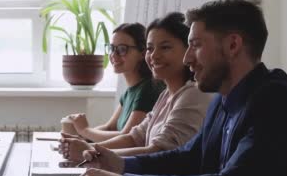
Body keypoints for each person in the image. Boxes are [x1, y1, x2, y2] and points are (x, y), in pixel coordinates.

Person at [72, 0, 287, 176]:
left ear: (233, 44)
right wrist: (121, 164)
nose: (187, 58)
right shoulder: (222, 100)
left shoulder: (276, 100)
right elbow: (188, 158)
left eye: (195, 45)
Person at [61, 13, 212, 159]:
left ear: (188, 50)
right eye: (150, 48)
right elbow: (134, 138)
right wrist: (89, 148)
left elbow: (157, 153)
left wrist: (91, 151)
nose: (154, 55)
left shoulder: (193, 94)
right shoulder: (166, 95)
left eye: (165, 47)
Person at [61, 23, 164, 142]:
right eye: (111, 48)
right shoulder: (129, 92)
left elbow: (126, 137)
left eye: (122, 49)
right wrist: (78, 138)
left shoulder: (148, 89)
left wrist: (85, 131)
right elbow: (109, 128)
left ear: (142, 53)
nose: (113, 55)